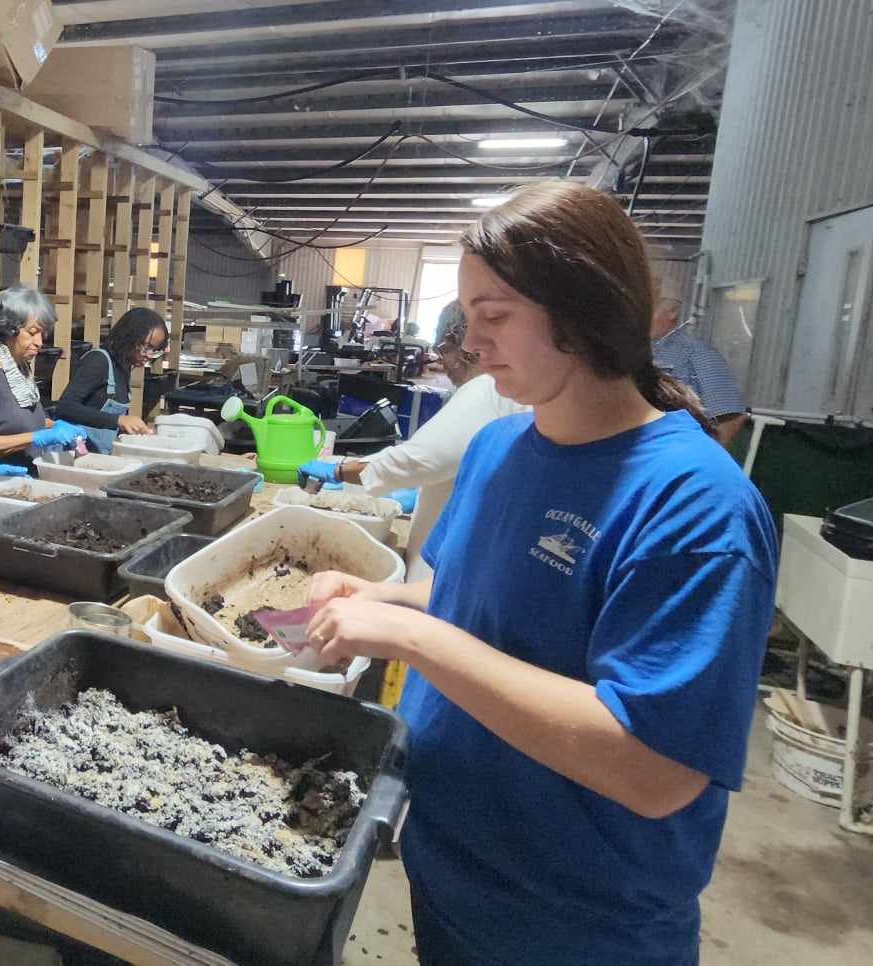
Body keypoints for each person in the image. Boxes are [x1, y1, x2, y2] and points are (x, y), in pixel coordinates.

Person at [300, 181, 776, 966]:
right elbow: (469, 603)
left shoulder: (697, 507)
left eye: (495, 317)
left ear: (585, 311)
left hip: (578, 923)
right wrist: (385, 596)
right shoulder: (499, 449)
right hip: (451, 867)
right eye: (467, 317)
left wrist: (412, 640)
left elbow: (654, 770)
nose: (471, 342)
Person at [296, 302, 527, 581]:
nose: (442, 363)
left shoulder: (486, 387)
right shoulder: (510, 388)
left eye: (443, 350)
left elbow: (418, 459)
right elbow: (453, 462)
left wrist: (337, 469)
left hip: (441, 572)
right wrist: (421, 490)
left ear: (462, 342)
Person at [0, 284, 88, 467]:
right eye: (32, 333)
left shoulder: (20, 367)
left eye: (42, 334)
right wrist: (36, 437)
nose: (38, 343)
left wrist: (55, 427)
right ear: (9, 328)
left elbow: (26, 421)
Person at [54, 306, 168, 452]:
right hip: (73, 454)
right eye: (146, 346)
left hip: (98, 455)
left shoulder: (123, 368)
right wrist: (118, 421)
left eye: (154, 350)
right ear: (129, 337)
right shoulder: (98, 361)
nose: (148, 355)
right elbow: (65, 407)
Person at [652, 291, 748, 448]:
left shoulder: (696, 352)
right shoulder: (639, 351)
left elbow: (730, 416)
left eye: (650, 308)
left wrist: (703, 456)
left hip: (675, 448)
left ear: (672, 311)